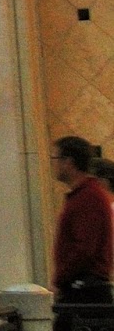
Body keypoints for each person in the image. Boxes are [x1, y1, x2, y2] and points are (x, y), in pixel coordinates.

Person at [52, 135, 113, 329]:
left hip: (85, 292)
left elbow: (84, 249)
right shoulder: (84, 195)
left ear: (68, 162)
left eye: (55, 158)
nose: (53, 164)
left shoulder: (89, 197)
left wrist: (60, 278)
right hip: (82, 289)